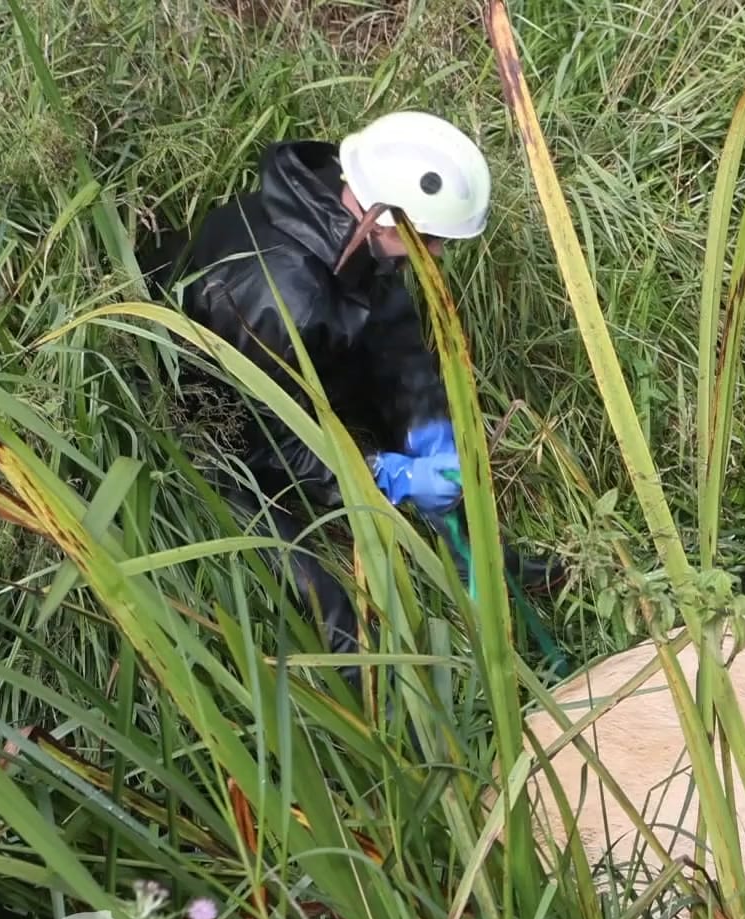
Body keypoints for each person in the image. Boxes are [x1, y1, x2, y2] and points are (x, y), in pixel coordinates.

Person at [139, 110, 562, 660]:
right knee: (325, 594)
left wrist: (426, 426)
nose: (434, 255)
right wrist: (383, 476)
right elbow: (269, 440)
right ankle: (378, 696)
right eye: (429, 239)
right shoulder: (282, 299)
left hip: (295, 364)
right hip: (214, 424)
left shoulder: (341, 216)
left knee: (438, 467)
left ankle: (485, 563)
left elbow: (392, 337)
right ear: (384, 218)